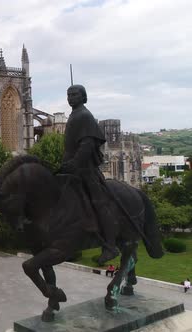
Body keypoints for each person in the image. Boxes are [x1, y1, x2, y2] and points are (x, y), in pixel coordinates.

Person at [59, 84, 119, 265]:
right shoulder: (74, 115)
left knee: (99, 203)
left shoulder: (84, 115)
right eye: (68, 95)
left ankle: (110, 245)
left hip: (85, 170)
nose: (71, 97)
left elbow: (87, 145)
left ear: (83, 97)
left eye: (75, 94)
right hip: (71, 167)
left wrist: (75, 163)